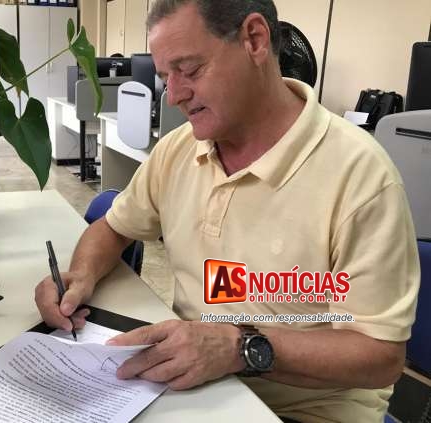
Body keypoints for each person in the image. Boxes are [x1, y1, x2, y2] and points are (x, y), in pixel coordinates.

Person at [35, 1, 420, 421]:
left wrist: (237, 346)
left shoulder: (361, 176)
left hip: (304, 409)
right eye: (165, 78)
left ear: (254, 39)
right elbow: (113, 226)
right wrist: (82, 275)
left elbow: (381, 356)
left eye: (189, 69)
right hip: (194, 390)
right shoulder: (179, 150)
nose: (174, 95)